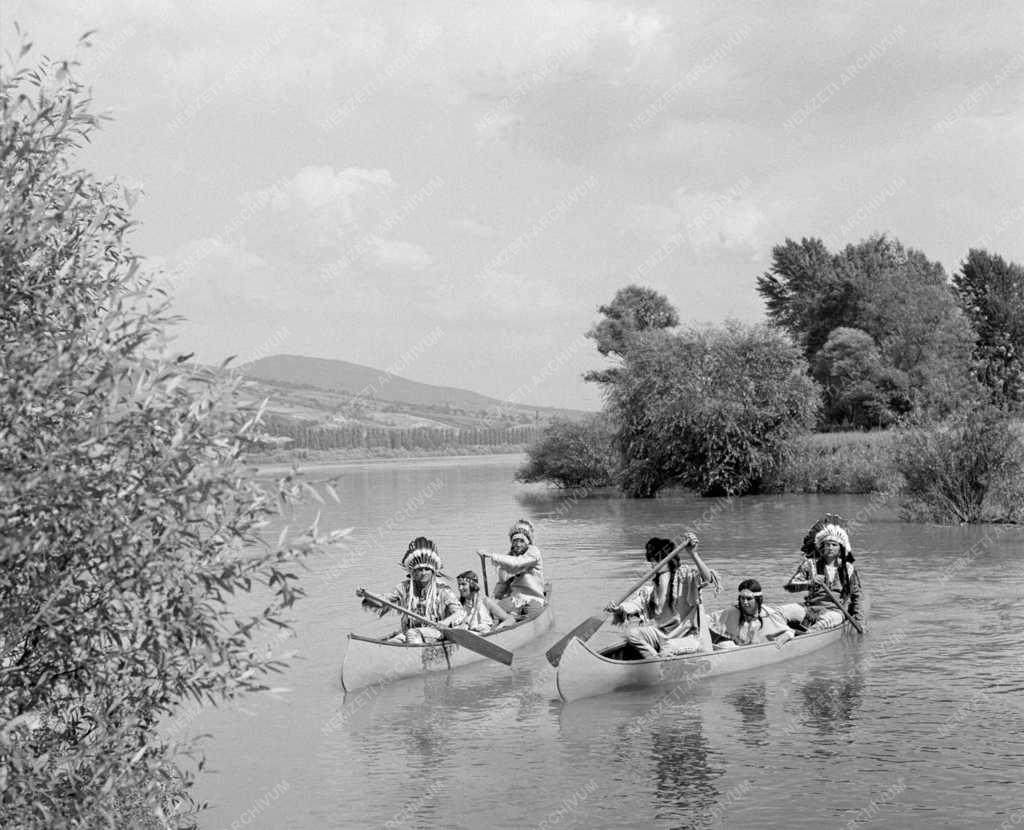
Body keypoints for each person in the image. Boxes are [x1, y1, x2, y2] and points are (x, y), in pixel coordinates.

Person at [607, 532, 721, 659]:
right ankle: (654, 661)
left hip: (689, 637)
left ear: (668, 560)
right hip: (661, 635)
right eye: (652, 560)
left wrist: (693, 553)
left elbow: (707, 578)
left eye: (657, 560)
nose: (653, 564)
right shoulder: (651, 590)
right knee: (631, 634)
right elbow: (633, 605)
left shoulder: (684, 577)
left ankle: (660, 663)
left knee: (668, 646)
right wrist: (618, 608)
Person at [355, 537, 464, 643]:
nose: (424, 573)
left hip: (437, 632)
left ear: (433, 572)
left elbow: (459, 612)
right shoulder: (404, 588)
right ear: (412, 572)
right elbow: (382, 602)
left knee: (412, 634)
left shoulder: (442, 589)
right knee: (395, 641)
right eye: (420, 569)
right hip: (408, 632)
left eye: (427, 569)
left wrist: (445, 622)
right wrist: (367, 594)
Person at [779, 521, 863, 631]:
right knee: (779, 611)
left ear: (840, 549)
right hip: (810, 608)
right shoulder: (809, 564)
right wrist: (810, 583)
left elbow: (857, 596)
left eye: (834, 545)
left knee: (825, 622)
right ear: (822, 547)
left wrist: (860, 620)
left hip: (835, 612)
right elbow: (791, 587)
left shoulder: (848, 569)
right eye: (827, 544)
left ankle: (807, 635)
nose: (830, 548)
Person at [477, 519, 546, 621]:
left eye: (521, 541)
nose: (518, 544)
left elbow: (516, 563)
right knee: (491, 612)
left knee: (529, 614)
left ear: (528, 542)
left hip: (533, 598)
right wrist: (494, 598)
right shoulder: (507, 557)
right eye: (515, 541)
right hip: (515, 599)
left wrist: (491, 555)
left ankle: (516, 620)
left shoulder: (533, 553)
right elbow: (503, 583)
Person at [707, 579, 795, 649]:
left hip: (757, 648)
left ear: (758, 600)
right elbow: (708, 620)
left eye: (749, 599)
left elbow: (789, 631)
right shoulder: (732, 611)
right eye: (742, 598)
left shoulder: (768, 614)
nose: (745, 602)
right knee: (725, 645)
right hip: (736, 648)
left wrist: (785, 636)